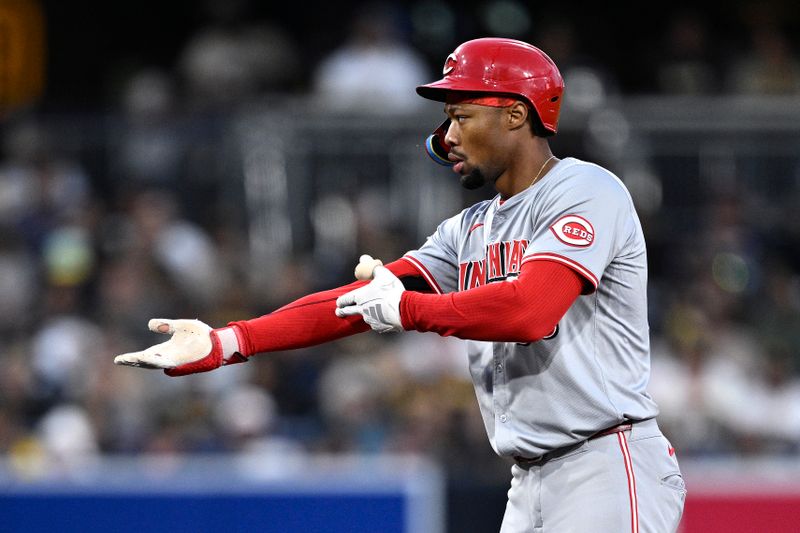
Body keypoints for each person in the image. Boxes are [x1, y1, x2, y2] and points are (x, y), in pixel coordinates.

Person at [115, 37, 686, 532]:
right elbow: (354, 304)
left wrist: (407, 309)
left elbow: (531, 310)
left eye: (462, 116)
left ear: (516, 114)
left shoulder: (585, 189)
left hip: (604, 463)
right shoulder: (470, 228)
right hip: (530, 477)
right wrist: (228, 342)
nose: (447, 136)